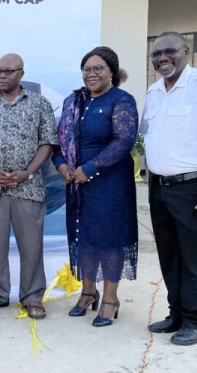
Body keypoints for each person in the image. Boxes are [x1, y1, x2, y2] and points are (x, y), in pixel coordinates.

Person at [142, 31, 197, 346]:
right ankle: (177, 313)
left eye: (169, 51)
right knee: (170, 254)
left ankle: (196, 320)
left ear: (186, 51)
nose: (162, 58)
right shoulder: (153, 91)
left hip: (195, 187)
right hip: (159, 188)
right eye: (156, 54)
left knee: (194, 256)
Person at [53, 46, 139, 327]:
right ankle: (88, 292)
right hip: (76, 182)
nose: (91, 74)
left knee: (109, 239)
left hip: (110, 182)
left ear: (112, 71)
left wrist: (89, 170)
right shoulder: (73, 101)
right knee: (84, 237)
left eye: (98, 68)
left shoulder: (121, 100)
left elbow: (122, 142)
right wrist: (61, 164)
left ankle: (111, 300)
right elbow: (60, 139)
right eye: (87, 69)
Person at [0, 53, 57, 319]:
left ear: (21, 73)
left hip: (28, 187)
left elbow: (47, 142)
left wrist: (27, 173)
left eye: (8, 71)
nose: (2, 76)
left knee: (31, 246)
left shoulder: (40, 104)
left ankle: (31, 296)